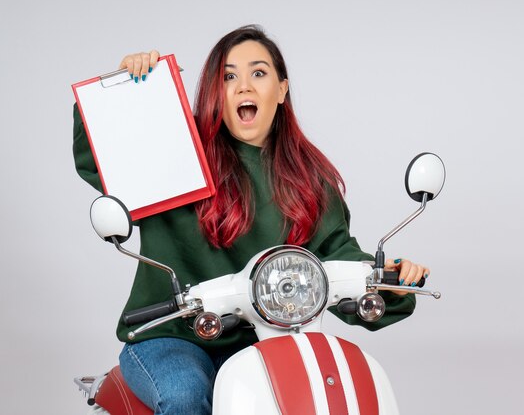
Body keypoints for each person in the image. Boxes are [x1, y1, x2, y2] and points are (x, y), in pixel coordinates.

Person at [73, 25, 430, 415]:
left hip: (263, 337)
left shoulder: (310, 179)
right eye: (229, 76)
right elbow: (104, 160)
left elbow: (334, 256)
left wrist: (387, 278)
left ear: (281, 90)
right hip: (170, 336)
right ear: (216, 93)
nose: (244, 86)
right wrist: (128, 88)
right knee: (185, 395)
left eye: (258, 73)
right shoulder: (178, 154)